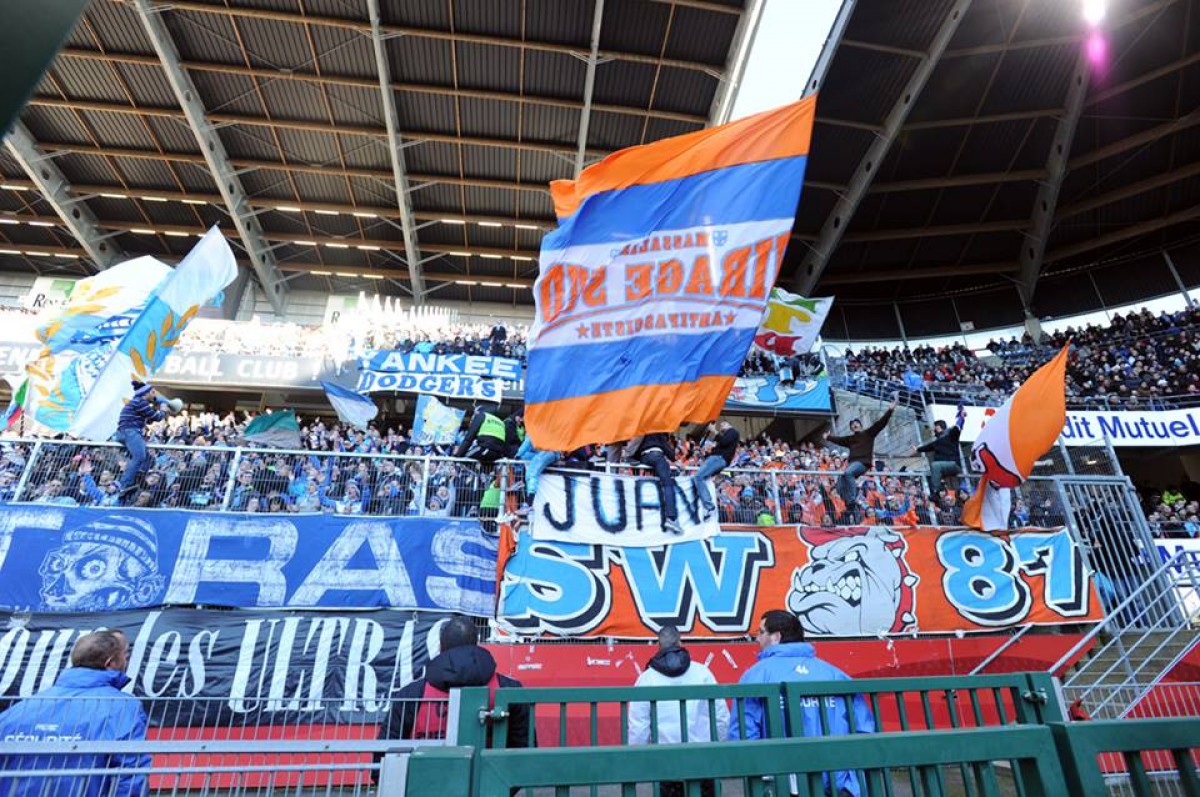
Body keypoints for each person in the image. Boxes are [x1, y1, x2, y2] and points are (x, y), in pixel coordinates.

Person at [729, 610, 874, 797]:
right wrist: (851, 785)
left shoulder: (756, 675)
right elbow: (864, 731)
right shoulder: (835, 674)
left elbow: (744, 735)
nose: (757, 639)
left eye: (761, 632)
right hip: (837, 784)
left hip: (783, 784)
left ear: (776, 637)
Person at [0, 630, 149, 797]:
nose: (126, 662)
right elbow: (131, 772)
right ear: (110, 663)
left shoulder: (18, 711)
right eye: (125, 656)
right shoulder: (123, 706)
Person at [378, 616, 533, 752]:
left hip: (426, 775)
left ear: (440, 647)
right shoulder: (510, 689)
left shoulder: (411, 694)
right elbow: (524, 749)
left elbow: (386, 750)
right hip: (492, 775)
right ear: (476, 644)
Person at [629, 625, 729, 797]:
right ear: (680, 642)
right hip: (702, 759)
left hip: (666, 762)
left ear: (659, 645)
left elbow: (639, 727)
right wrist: (719, 748)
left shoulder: (646, 679)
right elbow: (721, 717)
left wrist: (638, 760)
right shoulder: (702, 673)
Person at [825, 398, 896, 514]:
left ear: (861, 425)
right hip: (852, 464)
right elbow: (839, 440)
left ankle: (852, 499)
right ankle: (849, 504)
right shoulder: (850, 439)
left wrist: (890, 410)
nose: (854, 425)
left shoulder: (868, 433)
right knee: (840, 483)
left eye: (856, 423)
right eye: (852, 425)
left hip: (862, 463)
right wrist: (828, 437)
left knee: (848, 473)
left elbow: (881, 423)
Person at [115, 381, 180, 501]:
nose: (155, 394)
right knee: (139, 456)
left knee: (147, 457)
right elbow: (157, 417)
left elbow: (149, 420)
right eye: (153, 392)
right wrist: (163, 409)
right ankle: (124, 485)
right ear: (146, 393)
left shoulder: (138, 402)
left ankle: (137, 478)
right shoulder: (140, 402)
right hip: (130, 431)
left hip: (127, 432)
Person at [627, 433, 682, 534]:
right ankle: (672, 518)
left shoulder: (642, 430)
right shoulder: (658, 431)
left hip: (643, 457)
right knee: (667, 484)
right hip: (657, 456)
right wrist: (675, 459)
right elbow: (668, 450)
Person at [692, 421, 740, 521]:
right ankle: (706, 507)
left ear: (729, 425)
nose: (721, 426)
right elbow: (718, 448)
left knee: (698, 477)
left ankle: (709, 506)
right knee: (702, 479)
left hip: (719, 458)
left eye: (723, 424)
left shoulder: (733, 431)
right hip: (716, 458)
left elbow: (725, 442)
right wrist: (704, 454)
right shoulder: (724, 436)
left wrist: (714, 431)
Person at [910, 408, 964, 495]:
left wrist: (961, 418)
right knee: (952, 489)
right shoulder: (937, 442)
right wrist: (917, 449)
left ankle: (936, 492)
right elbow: (927, 447)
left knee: (935, 466)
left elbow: (957, 428)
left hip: (953, 465)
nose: (932, 430)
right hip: (945, 469)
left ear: (938, 427)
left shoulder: (951, 436)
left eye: (934, 427)